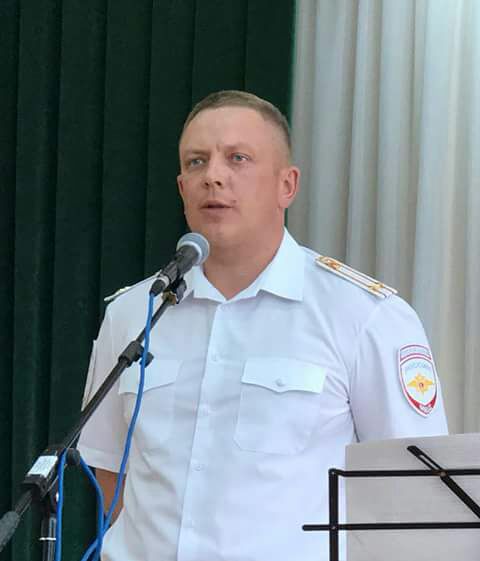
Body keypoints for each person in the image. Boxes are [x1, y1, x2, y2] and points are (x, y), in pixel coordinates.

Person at [77, 90, 448, 561]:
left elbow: (413, 491)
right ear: (182, 188)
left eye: (238, 158)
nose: (213, 176)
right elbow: (112, 471)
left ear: (286, 186)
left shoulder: (364, 315)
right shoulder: (135, 312)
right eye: (196, 162)